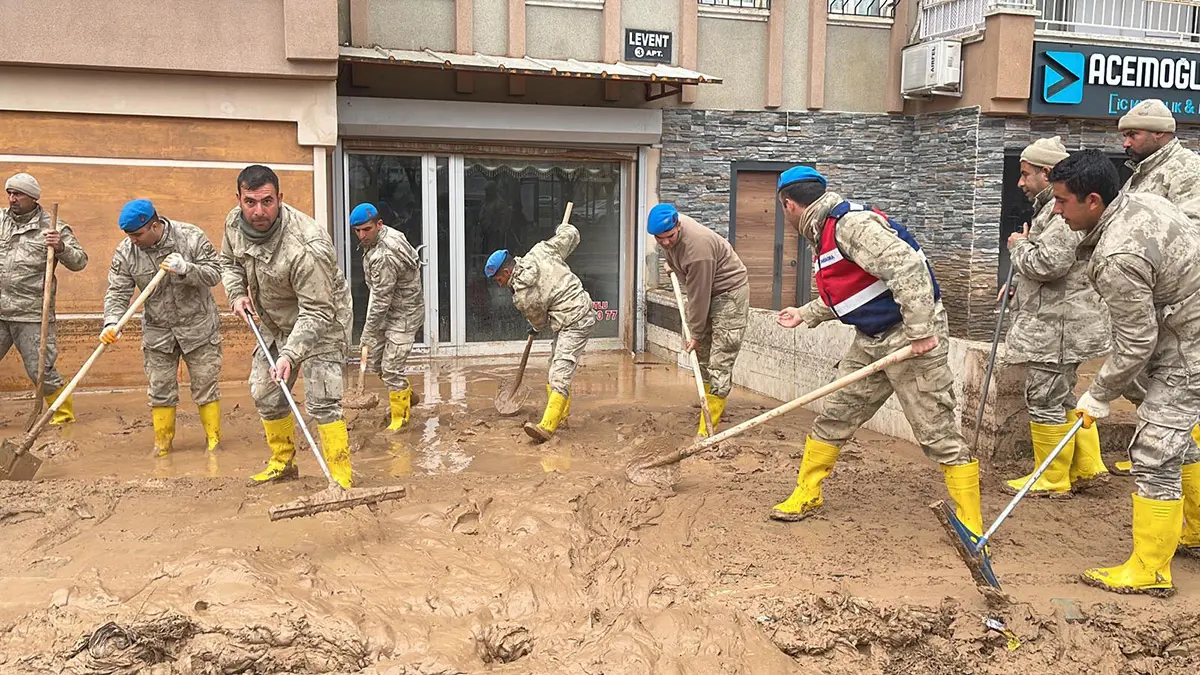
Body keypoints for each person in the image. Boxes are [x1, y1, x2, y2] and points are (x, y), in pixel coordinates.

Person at [768, 166, 989, 570]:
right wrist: (806, 313)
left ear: (789, 205)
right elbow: (854, 291)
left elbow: (906, 268)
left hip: (909, 336)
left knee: (936, 432)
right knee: (835, 414)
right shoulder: (825, 233)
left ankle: (971, 526)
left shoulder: (851, 225)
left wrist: (921, 330)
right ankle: (808, 492)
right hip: (870, 340)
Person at [1051, 149, 1200, 596]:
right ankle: (1193, 532)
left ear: (1093, 199)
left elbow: (1136, 341)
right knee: (1178, 443)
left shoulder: (1117, 255)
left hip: (1189, 351)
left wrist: (1098, 393)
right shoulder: (1142, 200)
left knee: (1155, 450)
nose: (1057, 212)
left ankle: (1150, 570)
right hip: (1186, 332)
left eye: (1062, 201)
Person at [219, 165, 354, 487]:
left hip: (322, 323)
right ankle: (283, 462)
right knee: (266, 393)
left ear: (279, 198)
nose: (258, 211)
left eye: (267, 201)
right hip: (273, 321)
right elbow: (228, 262)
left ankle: (340, 478)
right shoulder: (233, 224)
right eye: (250, 202)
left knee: (323, 401)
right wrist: (236, 294)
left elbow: (318, 310)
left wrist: (290, 354)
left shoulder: (307, 245)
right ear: (238, 198)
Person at [999, 137, 1112, 496]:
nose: (1020, 182)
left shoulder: (1060, 214)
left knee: (1045, 396)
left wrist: (1018, 246)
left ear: (1046, 173)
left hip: (1060, 324)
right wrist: (1019, 281)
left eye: (1025, 174)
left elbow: (1049, 263)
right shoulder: (1051, 208)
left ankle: (1051, 477)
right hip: (1064, 320)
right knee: (1062, 396)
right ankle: (1087, 466)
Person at [1110, 98, 1200, 476]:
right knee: (1141, 384)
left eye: (1133, 134)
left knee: (1173, 396)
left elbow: (1190, 235)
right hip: (1152, 301)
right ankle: (1164, 445)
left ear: (1161, 134)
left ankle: (1166, 449)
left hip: (1180, 304)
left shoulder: (1186, 170)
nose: (1125, 142)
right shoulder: (1144, 172)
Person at [101, 199, 223, 456]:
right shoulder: (126, 252)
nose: (133, 240)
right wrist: (113, 321)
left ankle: (213, 441)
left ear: (154, 225)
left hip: (198, 327)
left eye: (137, 235)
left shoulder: (190, 237)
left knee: (205, 384)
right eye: (129, 235)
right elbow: (117, 291)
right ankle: (162, 445)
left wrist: (185, 269)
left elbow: (214, 273)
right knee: (160, 388)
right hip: (158, 331)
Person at [484, 214, 595, 443]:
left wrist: (533, 327)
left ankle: (548, 426)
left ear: (506, 273)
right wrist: (562, 228)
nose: (500, 285)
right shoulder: (540, 251)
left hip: (575, 318)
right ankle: (561, 414)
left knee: (560, 370)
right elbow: (571, 236)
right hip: (573, 314)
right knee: (553, 363)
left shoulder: (522, 296)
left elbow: (540, 322)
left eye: (498, 281)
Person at [647, 203, 750, 437]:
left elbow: (698, 296)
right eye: (659, 239)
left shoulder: (698, 250)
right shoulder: (669, 232)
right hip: (706, 288)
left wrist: (695, 333)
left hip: (728, 292)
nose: (664, 243)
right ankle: (708, 402)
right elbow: (676, 257)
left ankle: (707, 428)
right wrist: (672, 262)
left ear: (679, 226)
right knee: (701, 354)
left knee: (720, 355)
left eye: (669, 237)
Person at [0, 172, 88, 424]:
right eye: (9, 193)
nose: (12, 198)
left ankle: (62, 417)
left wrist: (61, 247)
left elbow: (80, 262)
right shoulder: (0, 220)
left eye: (18, 194)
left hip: (32, 314)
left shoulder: (53, 227)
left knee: (41, 371)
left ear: (33, 198)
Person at [349, 202, 424, 431]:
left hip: (404, 314)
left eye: (367, 229)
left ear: (379, 225)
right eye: (358, 230)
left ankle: (400, 422)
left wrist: (367, 334)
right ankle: (406, 394)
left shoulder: (384, 254)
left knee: (391, 368)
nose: (362, 235)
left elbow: (381, 298)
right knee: (376, 362)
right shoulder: (382, 237)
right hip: (389, 309)